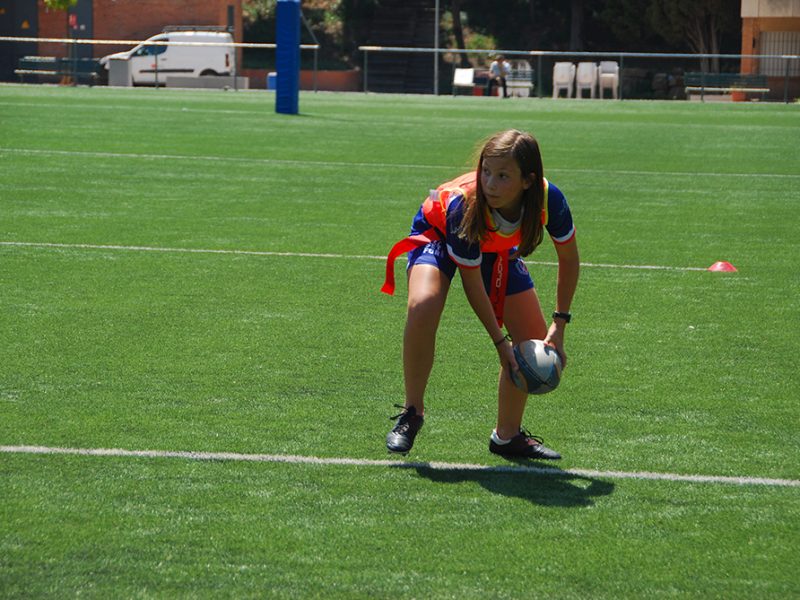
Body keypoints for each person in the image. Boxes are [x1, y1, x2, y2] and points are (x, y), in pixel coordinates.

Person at [381, 129, 580, 460]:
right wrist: (500, 343)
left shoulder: (549, 198)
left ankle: (507, 437)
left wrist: (559, 323)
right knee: (423, 304)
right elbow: (472, 283)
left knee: (532, 339)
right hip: (438, 234)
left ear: (528, 181)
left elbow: (569, 259)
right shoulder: (464, 204)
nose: (490, 184)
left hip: (491, 247)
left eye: (503, 176)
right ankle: (412, 412)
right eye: (486, 171)